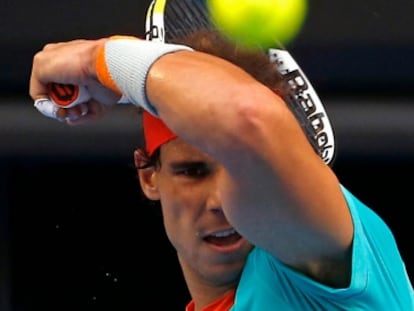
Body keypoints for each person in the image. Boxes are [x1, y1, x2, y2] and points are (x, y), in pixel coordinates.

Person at [29, 14, 414, 311]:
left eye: (243, 172)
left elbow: (245, 116)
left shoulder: (326, 244)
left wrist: (100, 58)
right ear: (149, 176)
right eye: (194, 171)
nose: (220, 201)